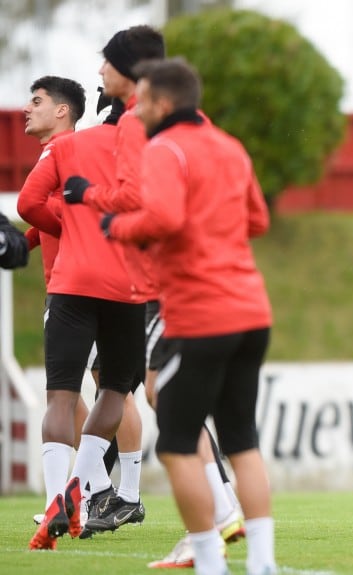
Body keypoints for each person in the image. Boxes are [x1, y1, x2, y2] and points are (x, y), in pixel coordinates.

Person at [104, 57, 275, 575]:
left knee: (177, 445)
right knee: (242, 441)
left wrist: (118, 226)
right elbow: (258, 220)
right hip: (252, 310)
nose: (138, 111)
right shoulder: (229, 146)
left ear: (163, 102)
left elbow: (164, 217)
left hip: (201, 314)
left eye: (145, 100)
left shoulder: (163, 148)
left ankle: (209, 560)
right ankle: (263, 564)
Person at [19, 80, 148, 550]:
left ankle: (110, 493)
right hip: (112, 285)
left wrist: (61, 231)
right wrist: (29, 240)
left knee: (92, 393)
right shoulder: (110, 151)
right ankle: (96, 489)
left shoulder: (69, 151)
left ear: (65, 110)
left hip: (75, 288)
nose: (25, 110)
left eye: (36, 101)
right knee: (104, 393)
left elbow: (37, 207)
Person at [62, 24, 165, 535]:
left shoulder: (140, 125)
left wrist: (90, 199)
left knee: (152, 389)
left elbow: (139, 199)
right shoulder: (177, 124)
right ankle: (99, 495)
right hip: (138, 280)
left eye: (106, 62)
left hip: (151, 279)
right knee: (119, 385)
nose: (99, 72)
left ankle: (216, 503)